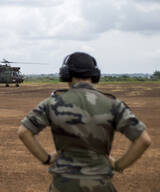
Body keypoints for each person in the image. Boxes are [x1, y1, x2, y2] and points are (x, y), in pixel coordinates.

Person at [17, 52, 151, 191]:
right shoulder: (113, 104)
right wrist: (118, 165)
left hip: (63, 185)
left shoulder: (52, 103)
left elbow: (24, 131)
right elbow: (143, 140)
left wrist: (47, 159)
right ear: (94, 75)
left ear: (66, 74)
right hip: (100, 184)